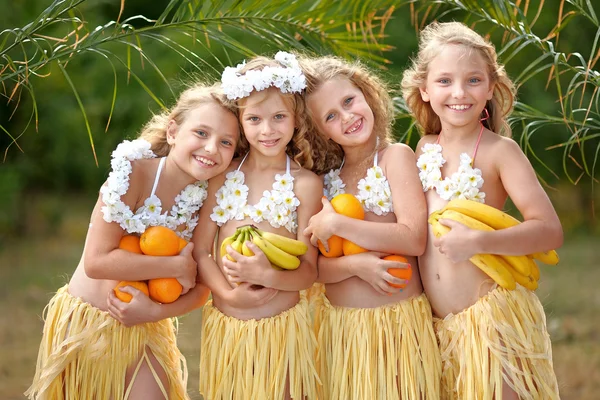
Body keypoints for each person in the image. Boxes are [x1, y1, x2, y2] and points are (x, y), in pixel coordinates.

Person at [25, 82, 242, 400]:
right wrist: (173, 264)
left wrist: (154, 313)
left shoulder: (205, 198)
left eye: (226, 142)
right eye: (201, 133)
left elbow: (200, 291)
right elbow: (97, 261)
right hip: (88, 323)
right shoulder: (133, 173)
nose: (211, 148)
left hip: (145, 327)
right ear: (172, 132)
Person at [402, 21, 563, 399]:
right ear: (424, 89)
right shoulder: (422, 149)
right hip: (439, 327)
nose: (459, 92)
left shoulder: (499, 151)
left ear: (490, 87)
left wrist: (479, 241)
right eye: (444, 81)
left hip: (491, 321)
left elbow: (549, 230)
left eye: (473, 80)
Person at [300, 55, 441, 400]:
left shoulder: (396, 157)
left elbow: (413, 238)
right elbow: (315, 269)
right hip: (342, 332)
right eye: (331, 116)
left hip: (398, 326)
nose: (347, 117)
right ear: (319, 131)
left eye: (349, 101)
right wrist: (354, 265)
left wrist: (339, 223)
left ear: (367, 94)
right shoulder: (324, 181)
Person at [193, 51, 325, 399]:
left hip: (282, 333)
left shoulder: (305, 184)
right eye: (254, 119)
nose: (267, 130)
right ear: (239, 121)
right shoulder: (222, 176)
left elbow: (309, 271)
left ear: (296, 119)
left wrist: (267, 276)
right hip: (227, 330)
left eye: (278, 117)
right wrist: (228, 293)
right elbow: (201, 251)